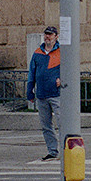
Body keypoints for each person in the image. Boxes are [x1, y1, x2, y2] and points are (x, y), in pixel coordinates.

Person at [25, 25, 61, 162]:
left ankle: (66, 150)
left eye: (50, 34)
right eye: (46, 34)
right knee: (46, 126)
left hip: (56, 94)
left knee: (62, 123)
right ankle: (52, 151)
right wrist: (30, 92)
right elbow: (31, 74)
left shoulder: (61, 52)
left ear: (56, 37)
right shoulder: (37, 53)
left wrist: (61, 79)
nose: (47, 37)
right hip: (41, 95)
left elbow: (69, 69)